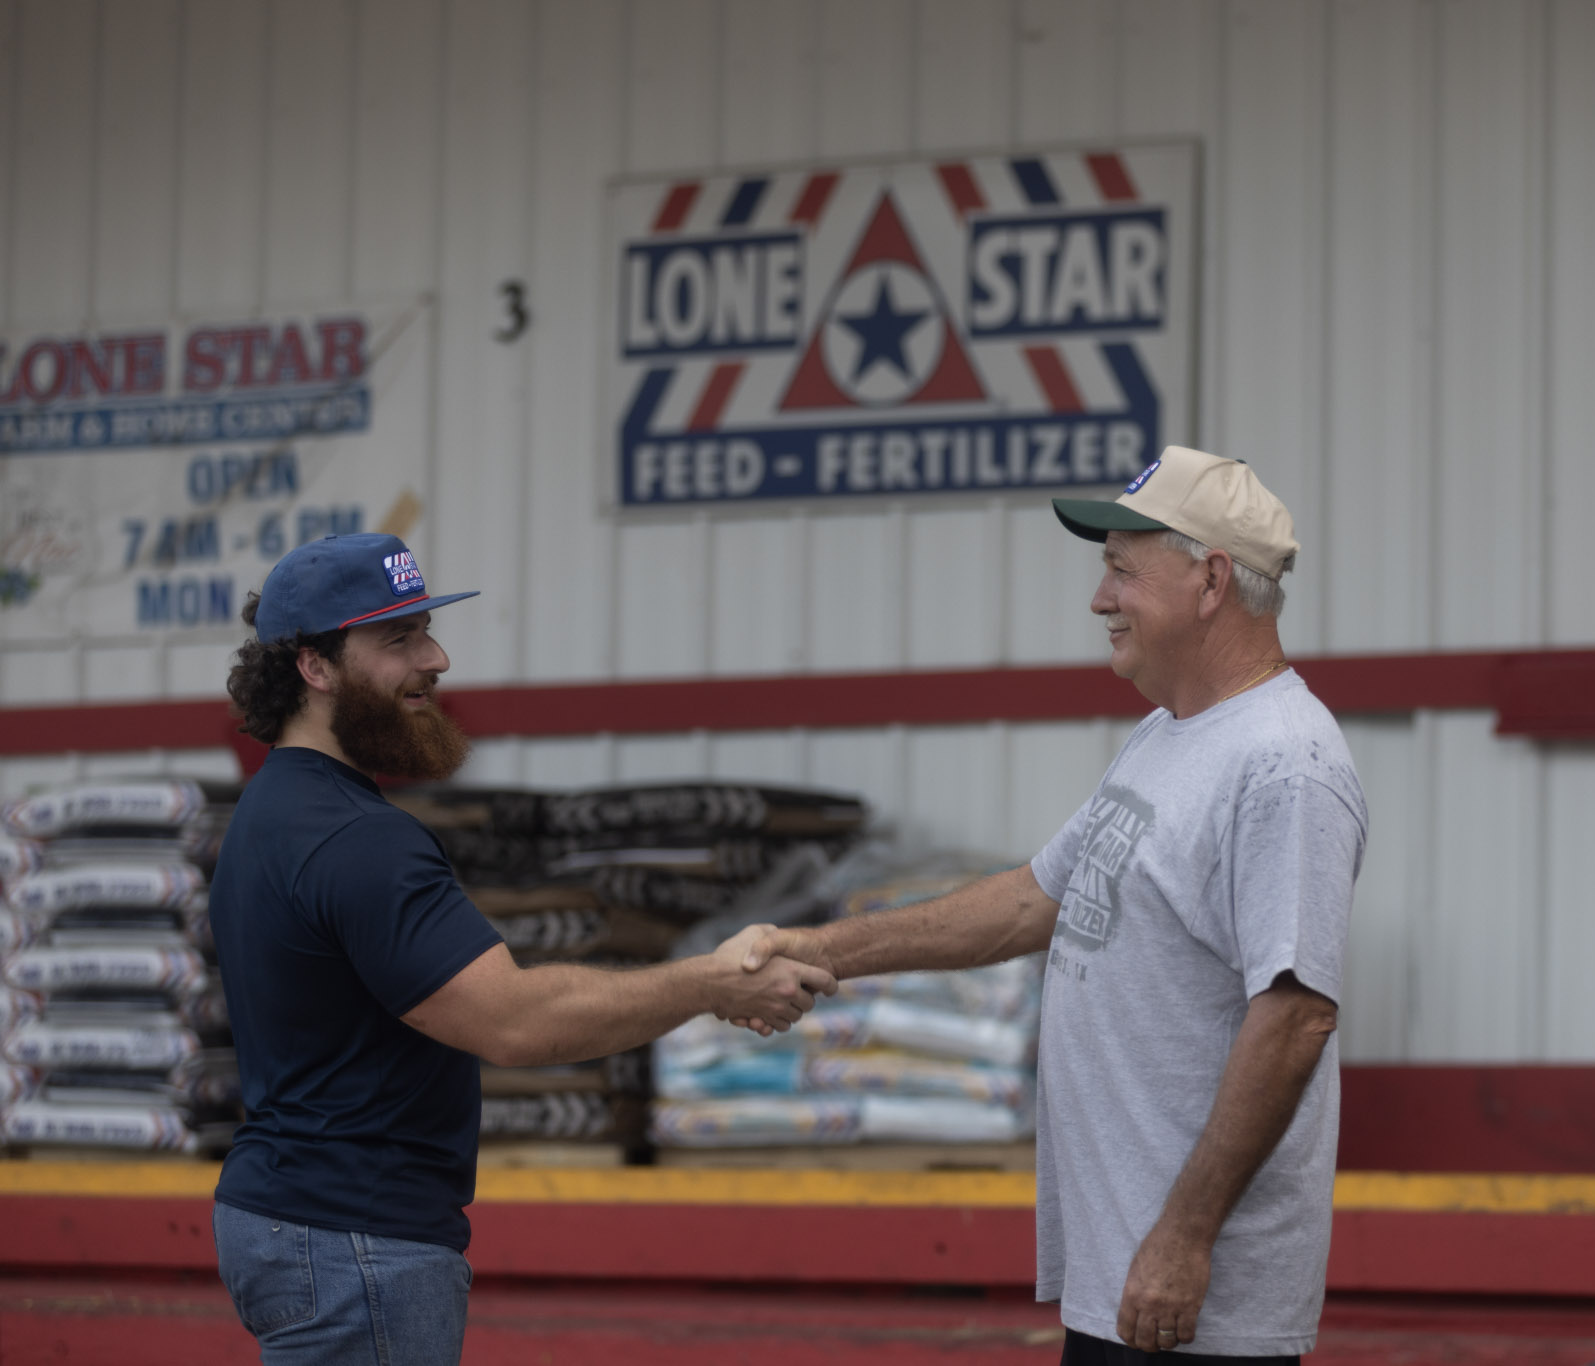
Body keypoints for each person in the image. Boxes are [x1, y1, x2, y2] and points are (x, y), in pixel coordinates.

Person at [739, 447, 1368, 1363]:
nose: (1099, 598)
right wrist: (820, 949)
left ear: (1210, 581)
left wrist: (1185, 1236)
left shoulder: (1286, 766)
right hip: (1122, 1283)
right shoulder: (1168, 735)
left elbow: (1297, 1014)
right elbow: (1029, 901)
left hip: (1196, 1308)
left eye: (1122, 569)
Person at [209, 532, 833, 1364]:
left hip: (293, 1219)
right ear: (313, 667)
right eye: (398, 640)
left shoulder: (268, 814)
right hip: (357, 1239)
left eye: (425, 629)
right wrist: (714, 982)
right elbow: (516, 1024)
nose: (436, 659)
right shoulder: (360, 842)